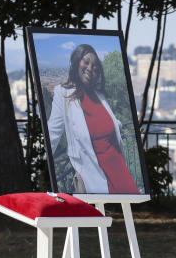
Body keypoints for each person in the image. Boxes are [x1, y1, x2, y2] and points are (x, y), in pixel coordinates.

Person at [46, 43, 139, 194]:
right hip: (93, 173)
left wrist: (119, 124)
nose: (90, 68)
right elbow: (53, 133)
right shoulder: (63, 94)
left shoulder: (99, 95)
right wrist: (35, 166)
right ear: (76, 62)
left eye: (95, 66)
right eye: (86, 62)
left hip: (119, 169)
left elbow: (107, 123)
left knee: (130, 210)